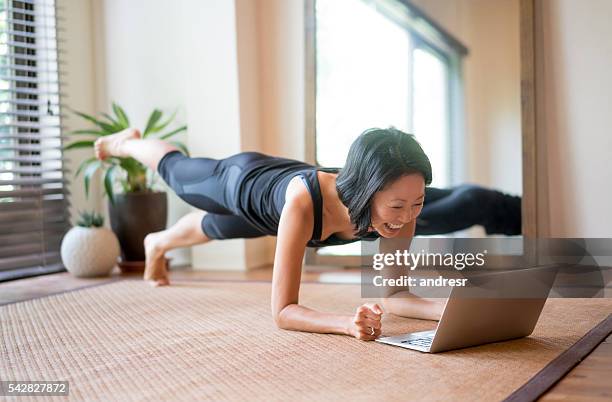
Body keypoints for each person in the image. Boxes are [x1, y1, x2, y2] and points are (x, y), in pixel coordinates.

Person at [93, 127, 518, 341]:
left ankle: (157, 242)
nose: (408, 217)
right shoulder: (301, 204)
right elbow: (282, 312)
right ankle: (127, 143)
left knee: (216, 229)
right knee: (178, 173)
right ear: (368, 192)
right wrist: (345, 324)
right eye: (397, 206)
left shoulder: (401, 211)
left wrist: (454, 310)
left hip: (275, 208)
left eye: (418, 202)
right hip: (244, 182)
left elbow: (397, 296)